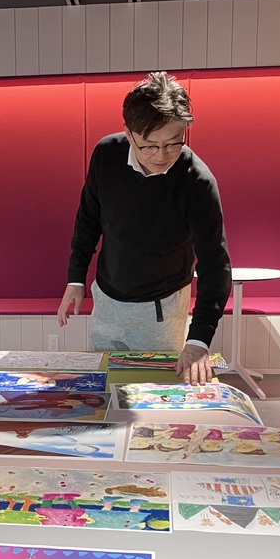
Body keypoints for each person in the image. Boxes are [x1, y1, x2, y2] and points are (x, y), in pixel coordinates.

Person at [57, 72, 232, 386]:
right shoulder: (106, 154)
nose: (161, 156)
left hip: (161, 308)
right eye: (149, 146)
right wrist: (76, 277)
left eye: (173, 143)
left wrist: (198, 340)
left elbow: (215, 265)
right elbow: (88, 219)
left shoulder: (197, 182)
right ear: (129, 133)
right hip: (107, 299)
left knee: (157, 394)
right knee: (105, 387)